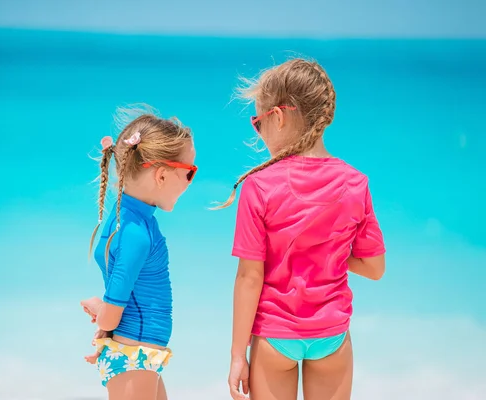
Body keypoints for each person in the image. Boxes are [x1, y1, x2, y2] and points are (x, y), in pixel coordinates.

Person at [217, 59, 386, 400]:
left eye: (257, 122)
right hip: (332, 336)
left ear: (278, 117)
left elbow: (250, 278)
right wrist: (331, 252)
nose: (258, 132)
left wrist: (238, 355)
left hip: (274, 335)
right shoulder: (356, 183)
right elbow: (375, 267)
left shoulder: (258, 187)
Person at [81, 107, 197, 400]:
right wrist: (99, 308)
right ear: (160, 175)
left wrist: (106, 325)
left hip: (136, 353)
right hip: (134, 354)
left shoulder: (127, 219)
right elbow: (110, 316)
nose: (189, 184)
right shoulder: (137, 234)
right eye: (189, 174)